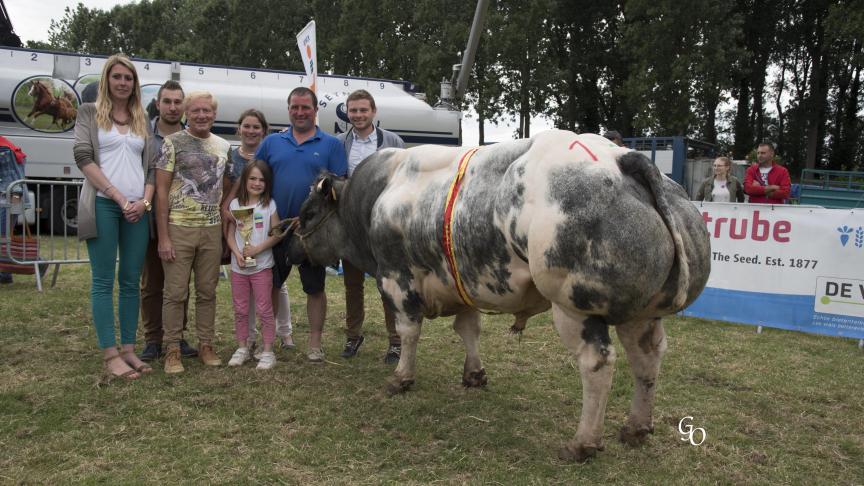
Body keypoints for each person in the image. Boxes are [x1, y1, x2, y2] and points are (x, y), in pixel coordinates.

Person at [72, 54, 156, 381]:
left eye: (129, 78)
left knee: (132, 281)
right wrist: (119, 197)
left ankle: (129, 348)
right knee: (104, 280)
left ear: (134, 84)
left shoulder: (140, 120)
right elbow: (82, 156)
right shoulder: (89, 113)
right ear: (107, 79)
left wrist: (144, 203)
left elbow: (150, 168)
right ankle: (110, 353)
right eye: (117, 76)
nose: (123, 83)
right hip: (105, 204)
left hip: (137, 209)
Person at [256, 86, 348, 363]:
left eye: (305, 107)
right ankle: (268, 343)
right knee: (271, 285)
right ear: (288, 110)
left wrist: (310, 216)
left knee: (315, 288)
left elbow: (337, 187)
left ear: (315, 109)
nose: (299, 112)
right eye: (294, 107)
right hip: (276, 229)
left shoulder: (331, 144)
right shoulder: (272, 142)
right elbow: (256, 179)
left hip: (313, 232)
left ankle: (315, 345)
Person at [156, 91, 232, 374]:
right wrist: (163, 236)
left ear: (214, 114)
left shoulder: (224, 146)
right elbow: (161, 191)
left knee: (207, 291)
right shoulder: (171, 143)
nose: (202, 115)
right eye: (196, 110)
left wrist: (224, 216)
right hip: (179, 227)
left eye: (207, 111)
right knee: (175, 293)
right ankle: (173, 348)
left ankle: (206, 344)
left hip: (211, 229)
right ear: (188, 112)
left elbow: (227, 184)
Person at [336, 90, 404, 364]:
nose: (358, 115)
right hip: (352, 225)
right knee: (352, 284)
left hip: (383, 225)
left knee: (388, 283)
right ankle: (353, 336)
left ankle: (396, 341)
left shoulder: (393, 141)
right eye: (353, 111)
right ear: (347, 113)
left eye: (363, 110)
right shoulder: (339, 143)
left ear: (373, 111)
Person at [222, 109, 294, 355]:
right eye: (247, 126)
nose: (251, 131)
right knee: (244, 296)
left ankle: (283, 332)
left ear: (264, 131)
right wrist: (227, 209)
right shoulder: (231, 158)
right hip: (241, 225)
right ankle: (248, 339)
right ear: (239, 128)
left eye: (256, 127)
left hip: (264, 229)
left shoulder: (270, 153)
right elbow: (231, 190)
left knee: (276, 287)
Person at [138, 80, 197, 361]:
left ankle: (177, 336)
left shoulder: (192, 138)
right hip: (147, 219)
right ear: (158, 104)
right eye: (167, 101)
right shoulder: (142, 136)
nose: (173, 107)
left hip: (182, 222)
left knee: (179, 283)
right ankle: (152, 339)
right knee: (151, 283)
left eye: (177, 102)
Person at [225, 161, 281, 370]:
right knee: (240, 308)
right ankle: (242, 347)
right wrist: (237, 253)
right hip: (239, 267)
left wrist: (258, 249)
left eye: (261, 180)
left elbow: (277, 234)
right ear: (245, 180)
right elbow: (230, 234)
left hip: (262, 266)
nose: (257, 183)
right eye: (252, 179)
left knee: (264, 308)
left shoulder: (269, 205)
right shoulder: (235, 205)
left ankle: (267, 351)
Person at [0, 136, 27, 285]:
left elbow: (8, 179)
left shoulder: (3, 150)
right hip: (16, 197)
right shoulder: (10, 148)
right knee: (5, 235)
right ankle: (5, 273)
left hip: (9, 198)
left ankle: (6, 273)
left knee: (3, 236)